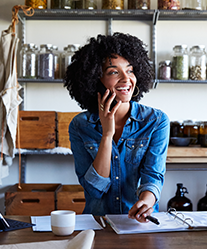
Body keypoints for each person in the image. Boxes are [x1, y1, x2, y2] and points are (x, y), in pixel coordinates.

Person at [64, 33, 170, 223]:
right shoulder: (80, 125)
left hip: (138, 223)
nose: (126, 79)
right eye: (114, 72)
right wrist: (107, 134)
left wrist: (146, 202)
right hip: (97, 223)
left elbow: (153, 177)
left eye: (130, 70)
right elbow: (94, 190)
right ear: (97, 78)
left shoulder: (156, 121)